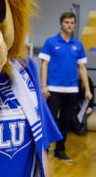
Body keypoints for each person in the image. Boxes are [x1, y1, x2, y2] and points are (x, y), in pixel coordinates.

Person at [39, 11, 92, 162]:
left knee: (65, 121)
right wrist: (43, 87)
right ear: (61, 24)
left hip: (72, 89)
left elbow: (82, 68)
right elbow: (44, 65)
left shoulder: (78, 45)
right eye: (67, 22)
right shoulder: (50, 42)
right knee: (50, 119)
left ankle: (60, 150)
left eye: (72, 23)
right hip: (53, 89)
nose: (69, 25)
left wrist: (87, 90)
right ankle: (45, 148)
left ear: (74, 25)